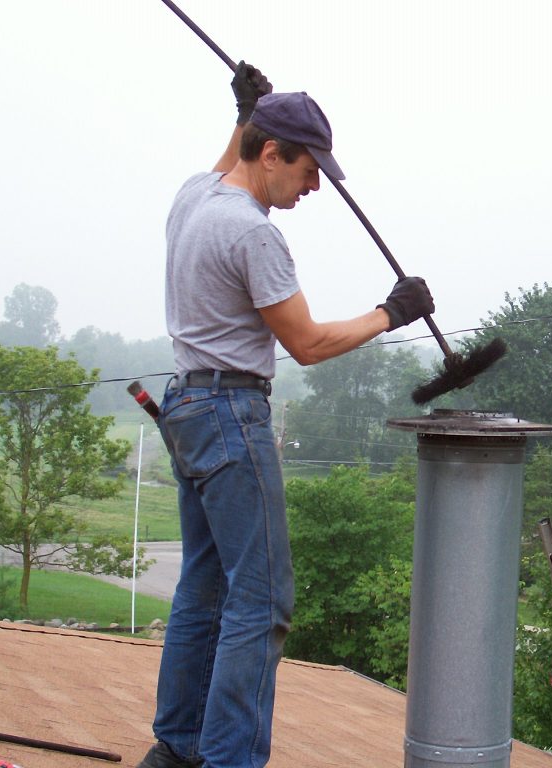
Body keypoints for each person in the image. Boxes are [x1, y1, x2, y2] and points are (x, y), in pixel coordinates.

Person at [138, 63, 434, 768]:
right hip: (231, 414)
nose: (312, 188)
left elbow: (225, 162)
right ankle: (231, 759)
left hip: (186, 404)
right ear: (271, 153)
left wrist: (245, 112)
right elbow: (305, 343)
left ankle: (176, 749)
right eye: (307, 172)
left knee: (204, 585)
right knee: (263, 600)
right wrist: (390, 314)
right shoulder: (253, 234)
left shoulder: (194, 201)